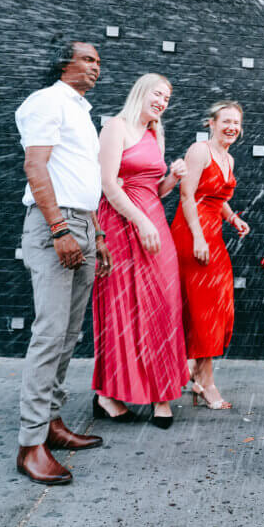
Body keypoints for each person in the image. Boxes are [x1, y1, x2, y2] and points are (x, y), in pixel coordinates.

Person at [15, 40, 112, 485]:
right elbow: (36, 167)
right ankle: (30, 444)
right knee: (49, 334)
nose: (96, 66)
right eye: (88, 59)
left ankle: (52, 424)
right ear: (64, 63)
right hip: (56, 224)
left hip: (84, 224)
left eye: (97, 61)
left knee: (69, 335)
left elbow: (80, 177)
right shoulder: (47, 101)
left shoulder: (81, 111)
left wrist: (98, 233)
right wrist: (59, 231)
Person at [92, 73, 189, 429]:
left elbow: (154, 190)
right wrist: (141, 222)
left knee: (163, 304)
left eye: (167, 98)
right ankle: (108, 395)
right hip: (120, 224)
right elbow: (107, 185)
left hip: (152, 221)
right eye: (158, 94)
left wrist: (174, 177)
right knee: (122, 308)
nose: (163, 102)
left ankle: (161, 393)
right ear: (141, 92)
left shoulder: (154, 133)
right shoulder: (115, 127)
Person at [171, 101, 250, 410]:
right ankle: (205, 381)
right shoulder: (199, 150)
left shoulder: (227, 157)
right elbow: (187, 194)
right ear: (212, 123)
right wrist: (198, 237)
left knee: (217, 306)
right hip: (192, 234)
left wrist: (233, 219)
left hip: (212, 233)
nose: (232, 126)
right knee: (205, 309)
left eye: (236, 122)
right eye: (226, 120)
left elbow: (217, 197)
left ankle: (194, 370)